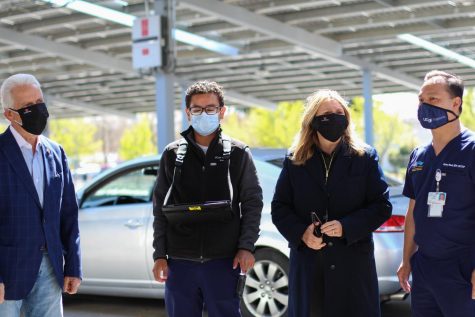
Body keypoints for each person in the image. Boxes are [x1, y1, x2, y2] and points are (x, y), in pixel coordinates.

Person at [271, 89, 392, 317]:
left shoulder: (364, 157)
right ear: (313, 121)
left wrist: (346, 227)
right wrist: (302, 233)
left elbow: (381, 205)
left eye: (340, 112)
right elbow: (280, 208)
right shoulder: (294, 160)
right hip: (310, 265)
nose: (335, 117)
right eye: (327, 113)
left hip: (352, 265)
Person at [152, 80, 263, 317]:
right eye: (197, 109)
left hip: (224, 262)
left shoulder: (238, 153)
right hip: (179, 264)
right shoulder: (172, 154)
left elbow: (253, 203)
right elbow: (159, 208)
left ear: (222, 112)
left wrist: (246, 247)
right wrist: (160, 255)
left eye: (210, 108)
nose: (204, 114)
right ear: (188, 113)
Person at [0, 74, 81, 316]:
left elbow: (69, 215)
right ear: (10, 114)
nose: (37, 110)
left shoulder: (57, 153)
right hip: (7, 270)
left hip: (51, 269)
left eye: (39, 101)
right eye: (27, 107)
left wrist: (73, 267)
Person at [397, 70, 475, 317]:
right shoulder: (418, 155)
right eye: (422, 100)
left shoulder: (471, 150)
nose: (425, 106)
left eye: (433, 99)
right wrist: (407, 259)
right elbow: (413, 211)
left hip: (463, 268)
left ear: (456, 103)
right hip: (425, 268)